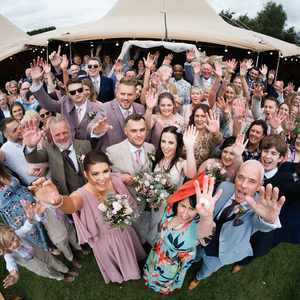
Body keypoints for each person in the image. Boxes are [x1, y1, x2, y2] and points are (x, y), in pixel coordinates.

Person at [30, 151, 146, 284]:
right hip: (106, 243)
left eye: (105, 171)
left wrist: (137, 181)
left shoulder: (115, 179)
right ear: (86, 174)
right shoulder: (81, 195)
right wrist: (57, 201)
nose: (102, 178)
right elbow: (71, 204)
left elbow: (128, 179)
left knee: (132, 256)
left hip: (126, 232)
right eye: (95, 174)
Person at [188, 160, 285, 290]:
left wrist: (268, 220)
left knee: (208, 268)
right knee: (196, 255)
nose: (243, 184)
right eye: (241, 177)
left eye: (251, 181)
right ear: (236, 176)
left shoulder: (259, 207)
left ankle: (197, 278)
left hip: (222, 252)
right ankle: (192, 261)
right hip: (204, 237)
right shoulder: (224, 186)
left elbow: (261, 224)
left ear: (259, 186)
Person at [144, 174, 221, 295]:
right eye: (183, 205)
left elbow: (205, 237)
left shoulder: (199, 225)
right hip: (159, 251)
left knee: (163, 280)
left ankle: (162, 288)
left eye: (191, 209)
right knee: (152, 270)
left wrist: (206, 217)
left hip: (172, 265)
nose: (185, 213)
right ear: (178, 202)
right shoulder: (170, 210)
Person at [146, 125, 198, 246]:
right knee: (154, 226)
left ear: (177, 145)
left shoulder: (181, 163)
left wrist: (189, 147)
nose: (165, 146)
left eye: (171, 142)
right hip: (156, 206)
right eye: (163, 141)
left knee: (163, 233)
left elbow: (192, 174)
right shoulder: (157, 159)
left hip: (170, 208)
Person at [29, 58, 105, 140]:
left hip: (92, 149)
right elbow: (48, 104)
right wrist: (36, 82)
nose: (77, 93)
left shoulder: (97, 107)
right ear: (68, 94)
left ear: (83, 90)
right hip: (69, 146)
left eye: (79, 90)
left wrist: (97, 131)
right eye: (73, 92)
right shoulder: (65, 104)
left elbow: (100, 129)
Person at [23, 115, 91, 195]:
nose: (62, 137)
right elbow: (33, 158)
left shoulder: (85, 145)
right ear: (51, 135)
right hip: (67, 197)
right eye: (57, 135)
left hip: (90, 191)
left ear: (70, 130)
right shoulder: (49, 150)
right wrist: (30, 146)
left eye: (64, 132)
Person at [0, 161, 48, 251]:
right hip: (17, 216)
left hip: (31, 202)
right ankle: (50, 249)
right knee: (34, 232)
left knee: (49, 224)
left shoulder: (3, 172)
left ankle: (65, 245)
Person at [91, 78, 145, 152]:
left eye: (129, 94)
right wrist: (96, 130)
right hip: (111, 157)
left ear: (135, 95)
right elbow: (90, 127)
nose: (126, 98)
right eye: (122, 94)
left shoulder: (140, 108)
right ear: (116, 93)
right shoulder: (105, 108)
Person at [1, 118, 38, 185]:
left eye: (19, 127)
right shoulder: (4, 149)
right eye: (14, 130)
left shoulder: (30, 135)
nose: (19, 130)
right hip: (35, 184)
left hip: (50, 173)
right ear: (6, 135)